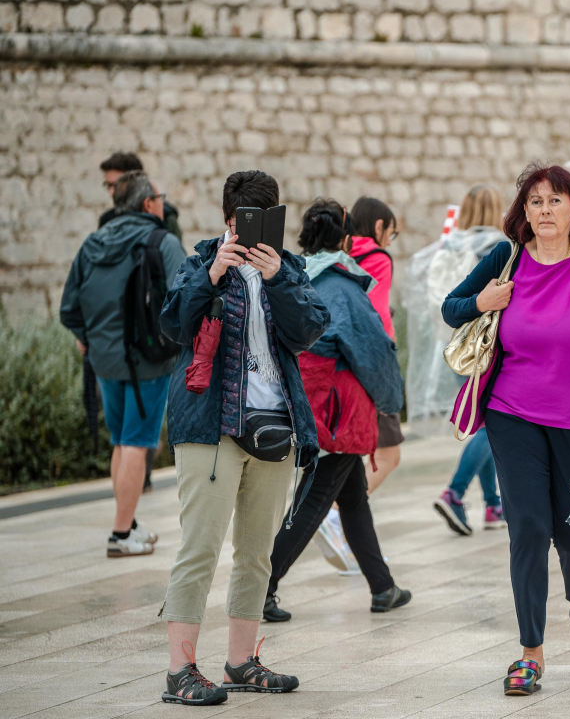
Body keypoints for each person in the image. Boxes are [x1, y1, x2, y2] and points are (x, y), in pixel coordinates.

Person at [442, 163, 570, 696]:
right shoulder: (505, 258)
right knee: (528, 527)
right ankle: (530, 653)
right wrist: (483, 302)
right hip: (512, 414)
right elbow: (451, 308)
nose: (545, 211)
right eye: (535, 202)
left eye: (555, 201)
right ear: (523, 211)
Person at [157, 170, 330, 706]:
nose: (252, 232)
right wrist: (212, 273)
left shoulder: (289, 268)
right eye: (242, 221)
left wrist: (278, 279)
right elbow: (171, 325)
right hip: (211, 426)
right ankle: (179, 670)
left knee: (257, 554)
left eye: (263, 220)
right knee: (200, 549)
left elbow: (310, 330)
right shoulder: (200, 262)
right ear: (228, 220)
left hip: (274, 427)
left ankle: (240, 661)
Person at [262, 199, 410, 622]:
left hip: (305, 396)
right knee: (315, 498)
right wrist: (390, 401)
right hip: (338, 407)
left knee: (352, 496)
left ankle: (383, 587)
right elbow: (373, 351)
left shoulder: (291, 277)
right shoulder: (343, 287)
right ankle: (263, 587)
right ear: (347, 238)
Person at [60, 170, 185, 558]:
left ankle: (127, 521)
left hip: (105, 362)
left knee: (121, 441)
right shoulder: (163, 242)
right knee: (137, 443)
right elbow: (187, 300)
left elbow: (69, 309)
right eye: (160, 197)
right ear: (148, 203)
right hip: (148, 363)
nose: (163, 203)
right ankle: (119, 534)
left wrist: (93, 340)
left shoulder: (92, 243)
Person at [432, 185, 508, 536]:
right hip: (488, 345)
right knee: (490, 425)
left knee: (482, 418)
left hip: (456, 343)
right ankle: (455, 492)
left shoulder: (451, 245)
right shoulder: (499, 248)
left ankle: (493, 504)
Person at [349, 197, 404, 494]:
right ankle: (331, 512)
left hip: (341, 363)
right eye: (391, 234)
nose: (390, 242)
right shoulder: (378, 258)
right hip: (374, 365)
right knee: (389, 454)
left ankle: (338, 516)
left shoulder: (340, 254)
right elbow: (378, 315)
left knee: (349, 453)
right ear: (379, 226)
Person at [99, 152, 183, 241]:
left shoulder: (167, 219)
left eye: (117, 185)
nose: (111, 192)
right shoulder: (107, 220)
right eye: (108, 185)